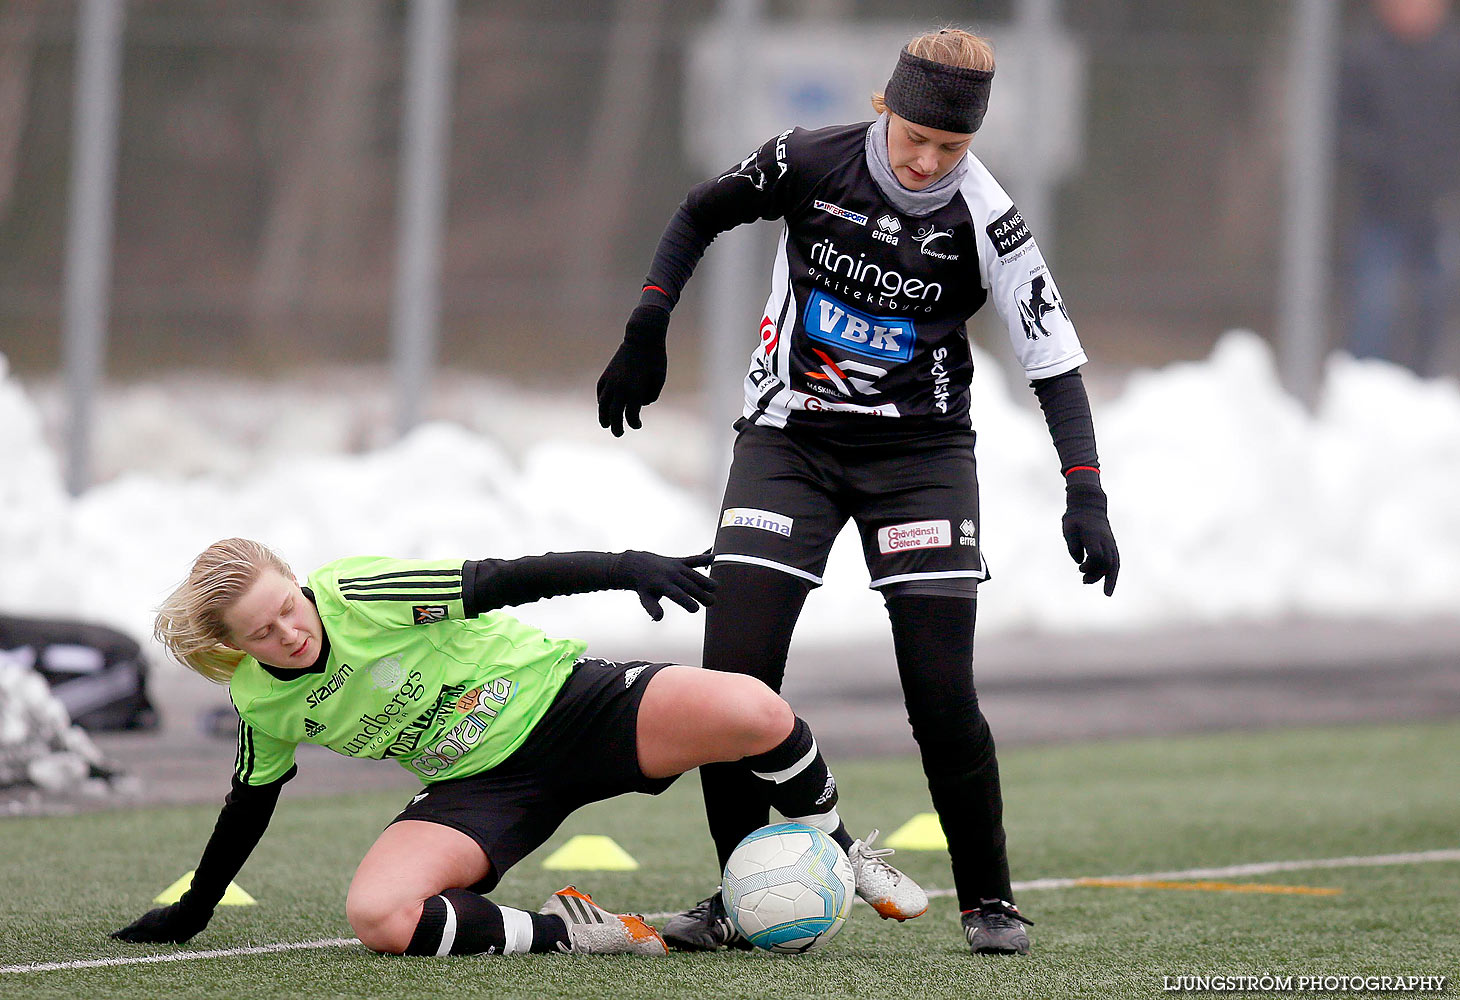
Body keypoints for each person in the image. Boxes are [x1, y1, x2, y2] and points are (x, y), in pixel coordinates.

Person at [596, 27, 1119, 956]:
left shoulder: (990, 219)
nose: (927, 162)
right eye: (914, 136)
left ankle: (989, 898)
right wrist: (649, 321)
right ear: (886, 107)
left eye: (950, 148)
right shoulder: (809, 158)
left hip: (920, 462)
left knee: (939, 691)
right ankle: (738, 894)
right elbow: (697, 212)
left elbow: (1056, 363)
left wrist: (1086, 490)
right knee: (733, 688)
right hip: (788, 443)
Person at [110, 539, 924, 957]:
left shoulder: (360, 592)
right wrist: (196, 905)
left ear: (297, 580)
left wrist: (625, 565)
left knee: (752, 707)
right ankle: (585, 936)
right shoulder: (260, 699)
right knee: (380, 917)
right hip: (480, 787)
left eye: (289, 605)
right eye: (265, 632)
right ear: (239, 647)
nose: (291, 630)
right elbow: (251, 800)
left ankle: (843, 853)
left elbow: (503, 578)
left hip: (571, 705)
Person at [1339, 0, 1460, 375]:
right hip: (1382, 206)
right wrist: (1387, 162)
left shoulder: (1453, 58)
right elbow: (1343, 128)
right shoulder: (1363, 56)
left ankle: (1424, 390)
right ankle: (1359, 391)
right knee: (1373, 307)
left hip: (1441, 208)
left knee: (1434, 304)